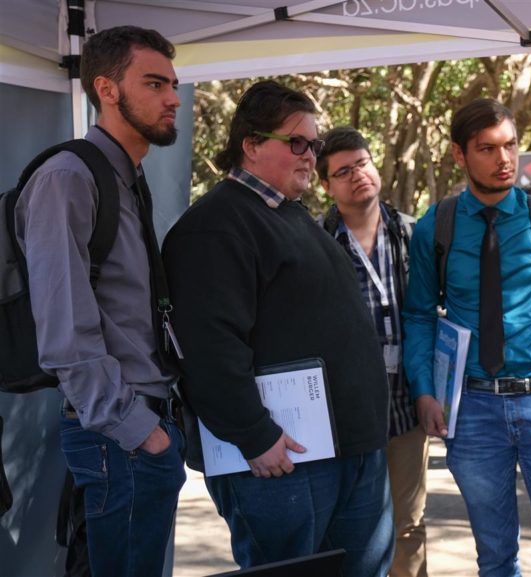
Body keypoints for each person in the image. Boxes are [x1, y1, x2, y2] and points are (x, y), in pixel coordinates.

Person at [162, 81, 394, 575]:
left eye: (314, 143)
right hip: (283, 463)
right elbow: (207, 347)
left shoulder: (289, 214)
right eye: (297, 142)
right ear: (251, 144)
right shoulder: (214, 226)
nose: (310, 155)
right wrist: (254, 434)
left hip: (347, 450)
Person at [403, 98, 531, 577]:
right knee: (495, 560)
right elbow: (419, 316)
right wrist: (425, 391)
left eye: (510, 145)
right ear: (459, 154)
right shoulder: (437, 225)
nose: (504, 159)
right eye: (487, 148)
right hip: (473, 411)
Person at [14, 26, 185, 577]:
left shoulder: (126, 176)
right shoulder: (68, 176)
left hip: (139, 429)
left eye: (174, 84)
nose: (173, 98)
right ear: (107, 90)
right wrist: (139, 431)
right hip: (120, 436)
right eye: (155, 83)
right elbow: (64, 329)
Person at [317, 126, 429, 577]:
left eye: (361, 163)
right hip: (344, 412)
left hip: (406, 405)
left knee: (409, 525)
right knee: (352, 529)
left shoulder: (412, 233)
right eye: (342, 171)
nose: (357, 175)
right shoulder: (316, 241)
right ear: (326, 185)